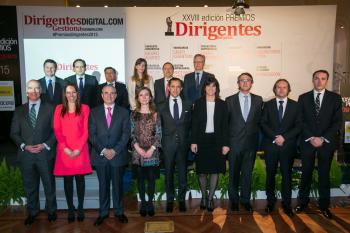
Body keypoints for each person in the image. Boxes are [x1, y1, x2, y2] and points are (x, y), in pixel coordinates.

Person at [294, 70, 342, 219]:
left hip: (326, 143)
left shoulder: (335, 98)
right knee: (306, 174)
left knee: (324, 175)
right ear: (312, 80)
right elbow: (299, 120)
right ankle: (302, 202)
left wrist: (322, 138)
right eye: (317, 78)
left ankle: (324, 206)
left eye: (323, 79)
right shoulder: (303, 98)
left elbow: (337, 122)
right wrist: (311, 137)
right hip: (308, 142)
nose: (320, 81)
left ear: (326, 80)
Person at [10, 79, 57, 225]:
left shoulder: (50, 108)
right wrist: (24, 145)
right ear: (26, 91)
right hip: (27, 155)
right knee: (30, 185)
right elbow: (14, 133)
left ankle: (51, 211)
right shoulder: (19, 110)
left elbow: (56, 131)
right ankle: (33, 212)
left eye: (37, 88)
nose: (34, 91)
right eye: (31, 88)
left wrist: (45, 145)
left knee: (49, 184)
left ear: (41, 90)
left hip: (45, 154)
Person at [89, 85, 130, 225]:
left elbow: (126, 135)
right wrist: (104, 150)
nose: (109, 95)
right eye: (106, 93)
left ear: (116, 95)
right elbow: (92, 135)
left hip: (117, 156)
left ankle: (119, 212)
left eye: (112, 93)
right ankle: (103, 212)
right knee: (103, 186)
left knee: (118, 186)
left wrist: (114, 150)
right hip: (100, 156)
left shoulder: (124, 112)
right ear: (102, 95)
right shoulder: (93, 112)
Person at [260, 79, 302, 217]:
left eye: (284, 87)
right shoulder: (267, 105)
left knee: (287, 176)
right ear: (275, 89)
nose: (282, 89)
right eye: (279, 87)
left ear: (288, 90)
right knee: (270, 175)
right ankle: (270, 202)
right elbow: (263, 123)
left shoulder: (296, 106)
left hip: (287, 146)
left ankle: (286, 204)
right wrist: (275, 137)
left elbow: (298, 126)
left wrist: (284, 137)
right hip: (271, 146)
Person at [53, 83, 92, 223]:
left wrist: (78, 148)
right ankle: (70, 208)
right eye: (68, 92)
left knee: (80, 181)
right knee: (67, 181)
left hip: (80, 150)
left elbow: (87, 130)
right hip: (65, 151)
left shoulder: (85, 108)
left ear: (77, 94)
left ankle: (80, 207)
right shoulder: (58, 109)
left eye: (73, 92)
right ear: (64, 94)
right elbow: (57, 130)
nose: (71, 95)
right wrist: (65, 148)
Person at [191, 76, 230, 212]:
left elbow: (226, 126)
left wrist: (226, 144)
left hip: (217, 141)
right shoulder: (198, 103)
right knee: (201, 172)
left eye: (213, 86)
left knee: (215, 171)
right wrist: (193, 141)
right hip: (201, 141)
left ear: (217, 88)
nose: (211, 88)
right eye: (208, 86)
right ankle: (203, 196)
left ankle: (210, 198)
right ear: (204, 88)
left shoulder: (223, 104)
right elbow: (194, 124)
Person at [226, 72, 263, 212]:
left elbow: (260, 122)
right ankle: (234, 201)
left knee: (247, 173)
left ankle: (245, 200)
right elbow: (226, 123)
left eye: (248, 80)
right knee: (234, 174)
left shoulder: (259, 100)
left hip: (251, 144)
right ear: (238, 83)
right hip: (234, 144)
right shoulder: (229, 100)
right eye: (242, 80)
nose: (245, 83)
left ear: (251, 83)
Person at [158, 78, 192, 212]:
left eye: (178, 87)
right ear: (169, 88)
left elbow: (191, 125)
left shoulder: (188, 104)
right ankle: (170, 201)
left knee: (183, 174)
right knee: (169, 174)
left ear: (181, 88)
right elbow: (158, 127)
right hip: (167, 145)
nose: (175, 89)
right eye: (173, 86)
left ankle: (182, 200)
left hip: (183, 145)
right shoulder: (160, 105)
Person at [130, 87, 161, 217]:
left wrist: (151, 149)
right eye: (141, 95)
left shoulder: (155, 114)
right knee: (141, 180)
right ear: (137, 98)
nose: (144, 97)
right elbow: (131, 134)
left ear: (150, 97)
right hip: (137, 153)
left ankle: (149, 203)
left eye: (146, 95)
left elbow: (159, 134)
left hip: (152, 152)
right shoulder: (133, 114)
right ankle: (143, 202)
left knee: (151, 179)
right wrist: (138, 148)